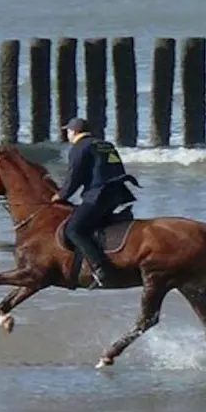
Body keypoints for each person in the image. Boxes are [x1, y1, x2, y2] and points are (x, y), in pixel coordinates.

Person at [51, 117, 139, 289]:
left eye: (68, 131)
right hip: (117, 194)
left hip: (98, 196)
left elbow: (74, 176)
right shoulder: (106, 145)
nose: (67, 134)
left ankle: (100, 268)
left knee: (73, 229)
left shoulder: (79, 148)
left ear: (74, 131)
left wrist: (61, 195)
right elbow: (118, 169)